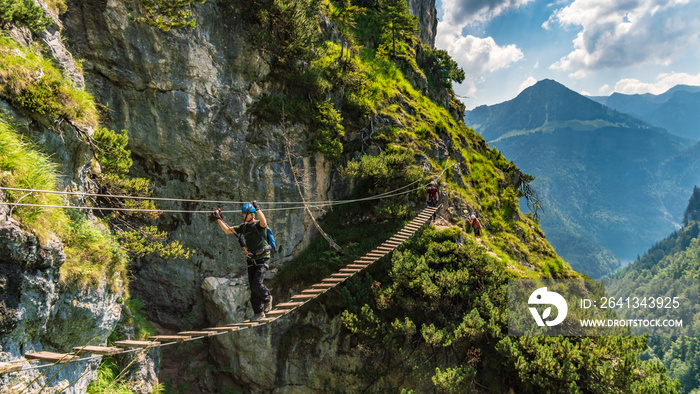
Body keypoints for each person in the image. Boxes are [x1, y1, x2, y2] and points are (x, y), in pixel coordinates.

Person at [213, 201, 272, 322]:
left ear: (251, 214)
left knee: (256, 283)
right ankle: (259, 313)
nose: (244, 215)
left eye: (246, 213)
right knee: (252, 287)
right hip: (251, 259)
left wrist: (257, 208)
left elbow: (264, 221)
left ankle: (268, 298)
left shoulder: (258, 225)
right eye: (243, 213)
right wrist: (218, 218)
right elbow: (228, 230)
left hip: (263, 257)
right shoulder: (243, 227)